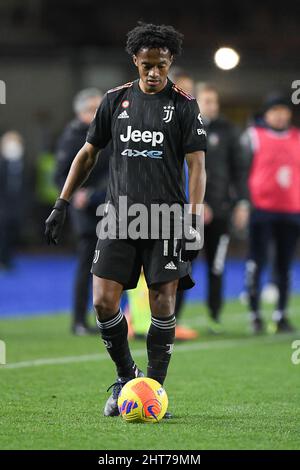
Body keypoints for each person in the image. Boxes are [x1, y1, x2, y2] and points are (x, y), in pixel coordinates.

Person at [45, 22, 207, 418]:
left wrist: (193, 220)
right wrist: (62, 202)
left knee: (163, 303)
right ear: (135, 60)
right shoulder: (114, 100)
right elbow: (87, 154)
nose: (154, 73)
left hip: (167, 217)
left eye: (162, 66)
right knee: (102, 301)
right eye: (147, 64)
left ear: (170, 63)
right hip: (119, 216)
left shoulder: (184, 105)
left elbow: (197, 167)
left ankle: (153, 390)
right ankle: (126, 376)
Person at [242, 94, 300, 333]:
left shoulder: (297, 137)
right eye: (274, 110)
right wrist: (243, 202)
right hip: (261, 209)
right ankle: (255, 315)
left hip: (291, 210)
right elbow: (241, 171)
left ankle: (281, 315)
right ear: (266, 114)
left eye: (284, 110)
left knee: (285, 265)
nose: (280, 114)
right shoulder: (253, 136)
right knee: (257, 262)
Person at [55, 88, 109, 335]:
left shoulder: (107, 133)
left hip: (109, 207)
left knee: (113, 267)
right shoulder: (73, 136)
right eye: (92, 109)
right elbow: (60, 174)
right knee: (88, 265)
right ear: (80, 112)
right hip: (86, 212)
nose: (98, 113)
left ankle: (113, 318)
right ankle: (78, 321)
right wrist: (76, 194)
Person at [195, 83, 249, 332]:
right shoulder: (186, 127)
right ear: (197, 102)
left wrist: (241, 203)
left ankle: (213, 317)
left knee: (216, 267)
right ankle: (172, 320)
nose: (212, 106)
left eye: (214, 101)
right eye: (207, 101)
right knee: (181, 267)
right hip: (191, 213)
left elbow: (239, 171)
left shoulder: (228, 131)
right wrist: (196, 202)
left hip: (221, 212)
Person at [0, 131, 25, 270]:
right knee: (3, 233)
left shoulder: (21, 164)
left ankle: (8, 258)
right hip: (3, 206)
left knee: (12, 233)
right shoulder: (2, 164)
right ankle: (3, 260)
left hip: (16, 207)